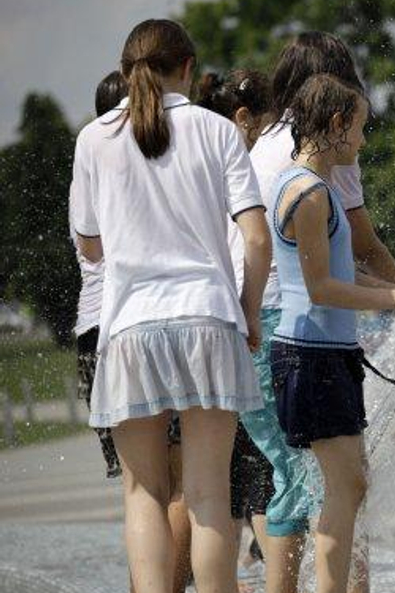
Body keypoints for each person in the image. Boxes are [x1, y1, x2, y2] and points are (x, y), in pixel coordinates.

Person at [246, 31, 395, 593]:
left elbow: (344, 268)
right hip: (308, 353)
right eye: (360, 128)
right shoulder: (310, 193)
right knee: (328, 489)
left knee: (341, 487)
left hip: (318, 352)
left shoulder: (309, 181)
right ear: (336, 124)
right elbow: (321, 286)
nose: (364, 141)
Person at [68, 19, 271, 593]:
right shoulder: (215, 130)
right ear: (187, 67)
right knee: (209, 493)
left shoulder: (94, 139)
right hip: (208, 318)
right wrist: (249, 312)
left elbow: (89, 243)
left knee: (144, 492)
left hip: (130, 325)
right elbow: (256, 239)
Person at [75, 69, 194, 593]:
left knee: (136, 488)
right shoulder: (143, 163)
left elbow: (89, 244)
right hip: (143, 323)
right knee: (176, 483)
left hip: (94, 333)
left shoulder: (91, 165)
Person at [197, 69, 278, 586]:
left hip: (191, 330)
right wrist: (253, 313)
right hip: (241, 326)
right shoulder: (237, 167)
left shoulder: (194, 167)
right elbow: (257, 245)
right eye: (266, 125)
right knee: (262, 477)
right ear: (243, 119)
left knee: (214, 490)